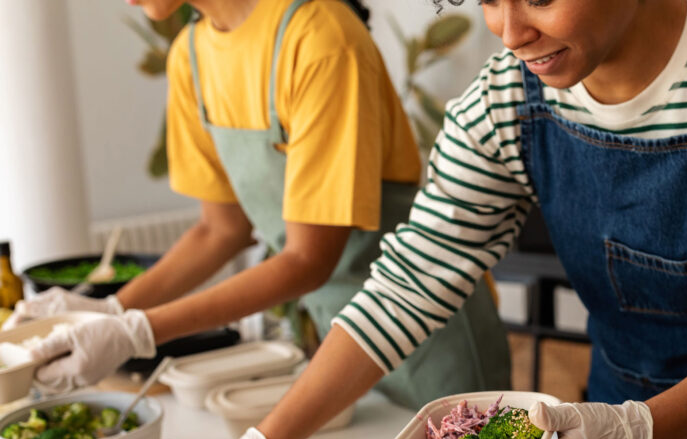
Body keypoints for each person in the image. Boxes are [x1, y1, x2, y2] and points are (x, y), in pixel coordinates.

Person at [129, 0, 687, 439]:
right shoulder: (506, 97)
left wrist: (637, 430)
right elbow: (411, 282)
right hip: (619, 392)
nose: (511, 32)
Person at [6, 0, 510, 411]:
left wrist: (137, 331)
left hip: (428, 331)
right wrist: (110, 309)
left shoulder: (319, 38)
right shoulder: (192, 57)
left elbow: (307, 259)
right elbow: (219, 230)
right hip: (336, 342)